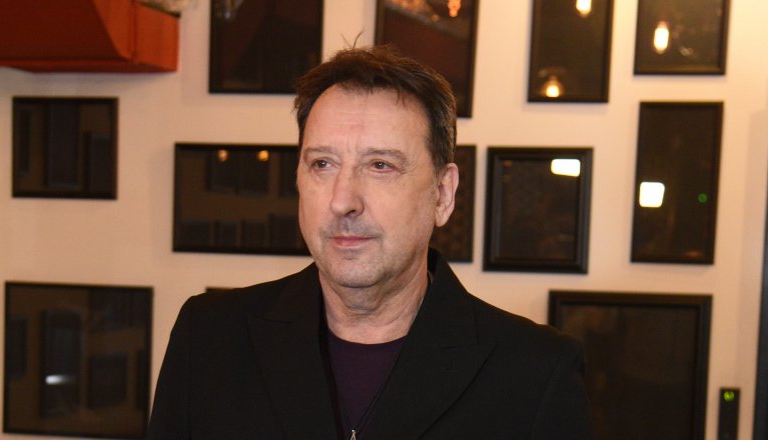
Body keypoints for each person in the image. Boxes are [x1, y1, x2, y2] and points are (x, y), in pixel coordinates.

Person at [147, 45, 594, 439]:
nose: (343, 201)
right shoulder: (208, 338)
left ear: (442, 194)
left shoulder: (537, 372)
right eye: (322, 164)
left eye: (380, 165)